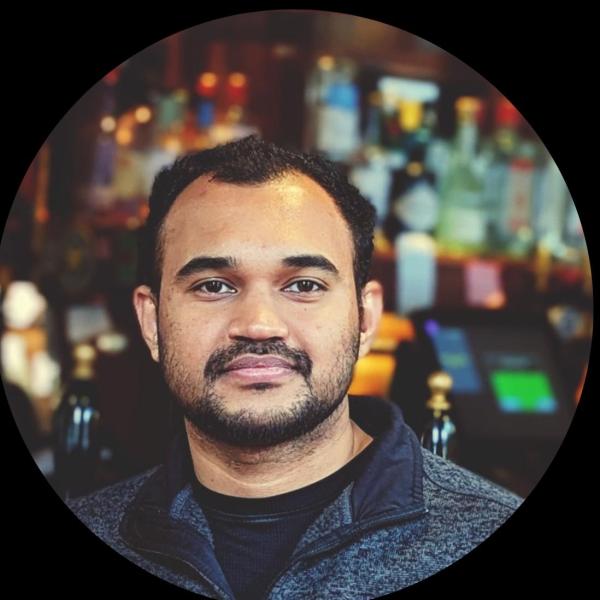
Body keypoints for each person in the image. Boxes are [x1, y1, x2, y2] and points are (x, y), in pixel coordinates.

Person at [67, 135, 522, 599]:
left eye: (304, 285)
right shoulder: (96, 525)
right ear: (151, 322)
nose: (259, 325)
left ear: (365, 319)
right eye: (213, 286)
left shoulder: (483, 530)